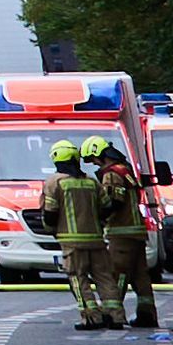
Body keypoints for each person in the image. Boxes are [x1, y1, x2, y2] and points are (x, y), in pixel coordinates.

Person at [65, 139, 153, 330]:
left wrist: (99, 217)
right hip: (137, 231)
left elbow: (113, 202)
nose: (95, 164)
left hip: (121, 232)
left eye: (94, 160)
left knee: (118, 274)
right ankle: (147, 313)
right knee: (140, 276)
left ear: (100, 155)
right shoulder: (126, 169)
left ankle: (112, 315)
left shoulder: (112, 174)